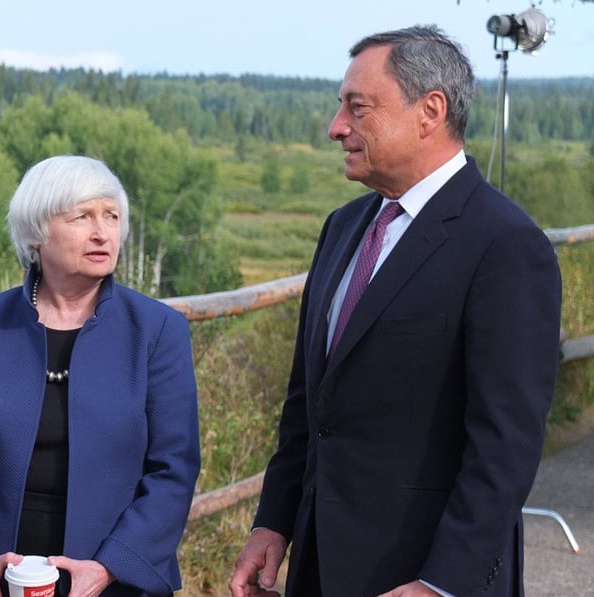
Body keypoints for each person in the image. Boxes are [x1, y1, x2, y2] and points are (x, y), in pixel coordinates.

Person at [229, 25, 561, 597]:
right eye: (341, 108)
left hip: (423, 574)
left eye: (357, 108)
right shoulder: (342, 228)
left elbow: (505, 446)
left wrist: (441, 583)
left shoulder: (505, 245)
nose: (337, 127)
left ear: (429, 111)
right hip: (318, 566)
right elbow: (309, 405)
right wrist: (273, 521)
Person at [0, 155, 201, 596]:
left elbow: (173, 470)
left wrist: (108, 568)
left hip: (113, 579)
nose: (103, 231)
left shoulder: (158, 330)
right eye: (82, 216)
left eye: (112, 216)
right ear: (36, 233)